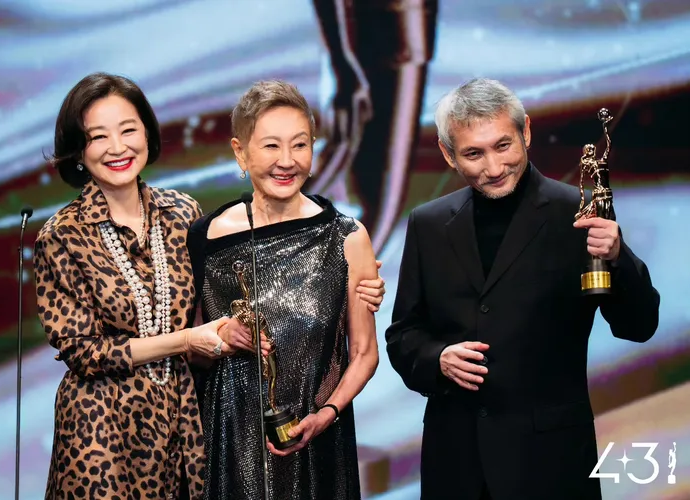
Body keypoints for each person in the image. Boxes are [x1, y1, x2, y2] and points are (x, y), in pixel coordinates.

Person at [385, 78, 660, 500]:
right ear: (447, 153)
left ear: (526, 131)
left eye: (503, 146)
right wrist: (437, 359)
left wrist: (619, 257)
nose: (494, 167)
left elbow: (638, 326)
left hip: (550, 463)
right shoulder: (428, 223)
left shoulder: (577, 212)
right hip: (455, 463)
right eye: (473, 154)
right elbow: (403, 336)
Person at [34, 72, 250, 500]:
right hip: (100, 430)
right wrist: (184, 340)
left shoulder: (182, 211)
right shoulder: (61, 235)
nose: (117, 147)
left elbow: (217, 297)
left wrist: (349, 274)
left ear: (148, 134)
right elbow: (85, 353)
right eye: (98, 136)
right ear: (79, 152)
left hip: (181, 418)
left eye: (128, 130)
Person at [189, 79, 380, 500]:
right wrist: (220, 338)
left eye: (300, 145)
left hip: (319, 443)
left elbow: (365, 353)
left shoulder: (347, 237)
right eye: (271, 146)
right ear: (240, 152)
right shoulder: (205, 237)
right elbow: (186, 350)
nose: (287, 161)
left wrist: (326, 413)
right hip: (230, 445)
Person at [307, 0, 439, 254]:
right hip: (377, 35)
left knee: (377, 220)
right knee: (376, 219)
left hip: (402, 33)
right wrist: (344, 65)